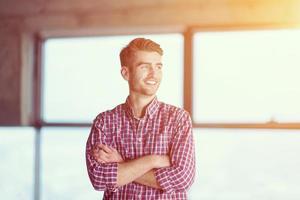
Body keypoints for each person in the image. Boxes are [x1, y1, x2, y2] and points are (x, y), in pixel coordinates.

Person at [86, 38, 195, 199]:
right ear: (126, 73)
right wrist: (153, 161)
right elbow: (99, 179)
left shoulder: (178, 119)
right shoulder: (104, 122)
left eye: (158, 67)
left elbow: (182, 178)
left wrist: (122, 164)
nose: (154, 74)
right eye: (145, 67)